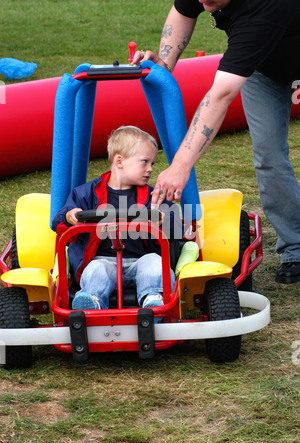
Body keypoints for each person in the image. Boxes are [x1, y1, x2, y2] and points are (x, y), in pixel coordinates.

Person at [132, 0, 300, 284]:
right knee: (268, 156)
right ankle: (295, 247)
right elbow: (182, 12)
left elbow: (221, 95)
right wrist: (164, 64)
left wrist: (181, 166)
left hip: (279, 37)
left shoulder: (264, 9)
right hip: (264, 66)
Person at [51, 126, 181, 312]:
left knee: (154, 262)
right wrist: (70, 216)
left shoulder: (153, 196)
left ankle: (154, 300)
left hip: (140, 260)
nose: (150, 169)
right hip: (102, 260)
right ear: (119, 161)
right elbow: (59, 224)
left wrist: (163, 219)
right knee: (96, 270)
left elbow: (178, 228)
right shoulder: (85, 194)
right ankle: (91, 303)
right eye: (144, 162)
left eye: (152, 163)